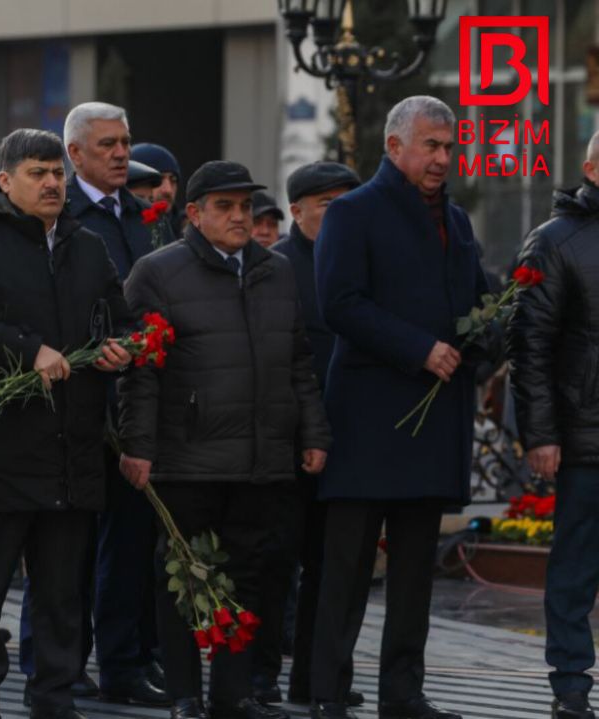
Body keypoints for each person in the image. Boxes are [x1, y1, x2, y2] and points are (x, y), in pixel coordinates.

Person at [0, 127, 134, 719]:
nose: (51, 183)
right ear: (5, 180)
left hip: (71, 453)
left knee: (63, 596)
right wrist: (27, 349)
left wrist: (119, 347)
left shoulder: (87, 245)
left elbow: (117, 318)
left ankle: (53, 700)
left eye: (57, 173)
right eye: (37, 173)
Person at [118, 160, 331, 719]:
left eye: (244, 206)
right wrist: (137, 447)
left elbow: (299, 361)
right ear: (193, 213)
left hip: (261, 455)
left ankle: (232, 695)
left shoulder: (276, 269)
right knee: (184, 578)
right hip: (187, 456)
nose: (239, 217)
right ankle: (186, 694)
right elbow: (140, 372)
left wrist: (312, 431)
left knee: (248, 576)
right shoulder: (157, 272)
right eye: (224, 206)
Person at [309, 96, 484, 719]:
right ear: (394, 147)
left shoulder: (458, 221)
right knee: (349, 569)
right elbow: (340, 303)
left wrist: (489, 336)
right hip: (367, 419)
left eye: (449, 146)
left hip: (434, 418)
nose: (443, 158)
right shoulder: (353, 213)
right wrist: (419, 349)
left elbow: (473, 299)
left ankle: (403, 695)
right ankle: (326, 692)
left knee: (415, 573)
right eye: (431, 145)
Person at [59, 100, 163, 708]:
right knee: (66, 546)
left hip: (134, 403)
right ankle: (63, 663)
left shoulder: (143, 217)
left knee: (128, 544)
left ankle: (122, 666)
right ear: (74, 155)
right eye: (107, 145)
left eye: (125, 141)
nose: (123, 153)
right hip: (75, 401)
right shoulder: (58, 214)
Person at [257, 162, 362, 709]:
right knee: (275, 565)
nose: (338, 211)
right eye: (325, 202)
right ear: (295, 211)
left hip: (346, 443)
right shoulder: (274, 268)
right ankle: (263, 675)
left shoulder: (363, 261)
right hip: (286, 441)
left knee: (331, 567)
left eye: (347, 200)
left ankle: (319, 679)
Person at [507, 131, 599, 719]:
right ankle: (571, 687)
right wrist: (540, 435)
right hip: (585, 436)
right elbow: (529, 347)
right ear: (591, 166)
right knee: (575, 568)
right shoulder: (555, 240)